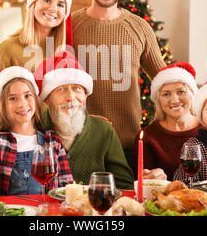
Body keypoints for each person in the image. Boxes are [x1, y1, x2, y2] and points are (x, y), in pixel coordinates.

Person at [69, 0, 167, 168]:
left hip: (128, 147)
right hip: (80, 143)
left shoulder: (139, 27)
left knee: (128, 203)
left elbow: (164, 80)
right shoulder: (70, 25)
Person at [0, 66, 73, 216]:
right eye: (13, 98)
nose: (22, 104)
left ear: (35, 99)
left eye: (27, 96)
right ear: (2, 104)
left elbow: (65, 188)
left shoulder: (54, 144)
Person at [0, 0, 74, 150]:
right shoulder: (8, 49)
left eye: (61, 4)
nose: (53, 8)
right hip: (16, 145)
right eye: (47, 0)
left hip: (55, 146)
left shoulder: (65, 54)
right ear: (33, 3)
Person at [34, 51, 134, 189]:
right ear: (47, 99)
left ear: (86, 95)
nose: (71, 97)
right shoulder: (33, 129)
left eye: (77, 88)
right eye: (61, 89)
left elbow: (125, 186)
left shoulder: (104, 130)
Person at [132, 62, 204, 181]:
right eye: (166, 94)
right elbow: (141, 188)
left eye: (181, 92)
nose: (174, 100)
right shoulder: (147, 137)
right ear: (158, 100)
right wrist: (152, 179)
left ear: (192, 94)